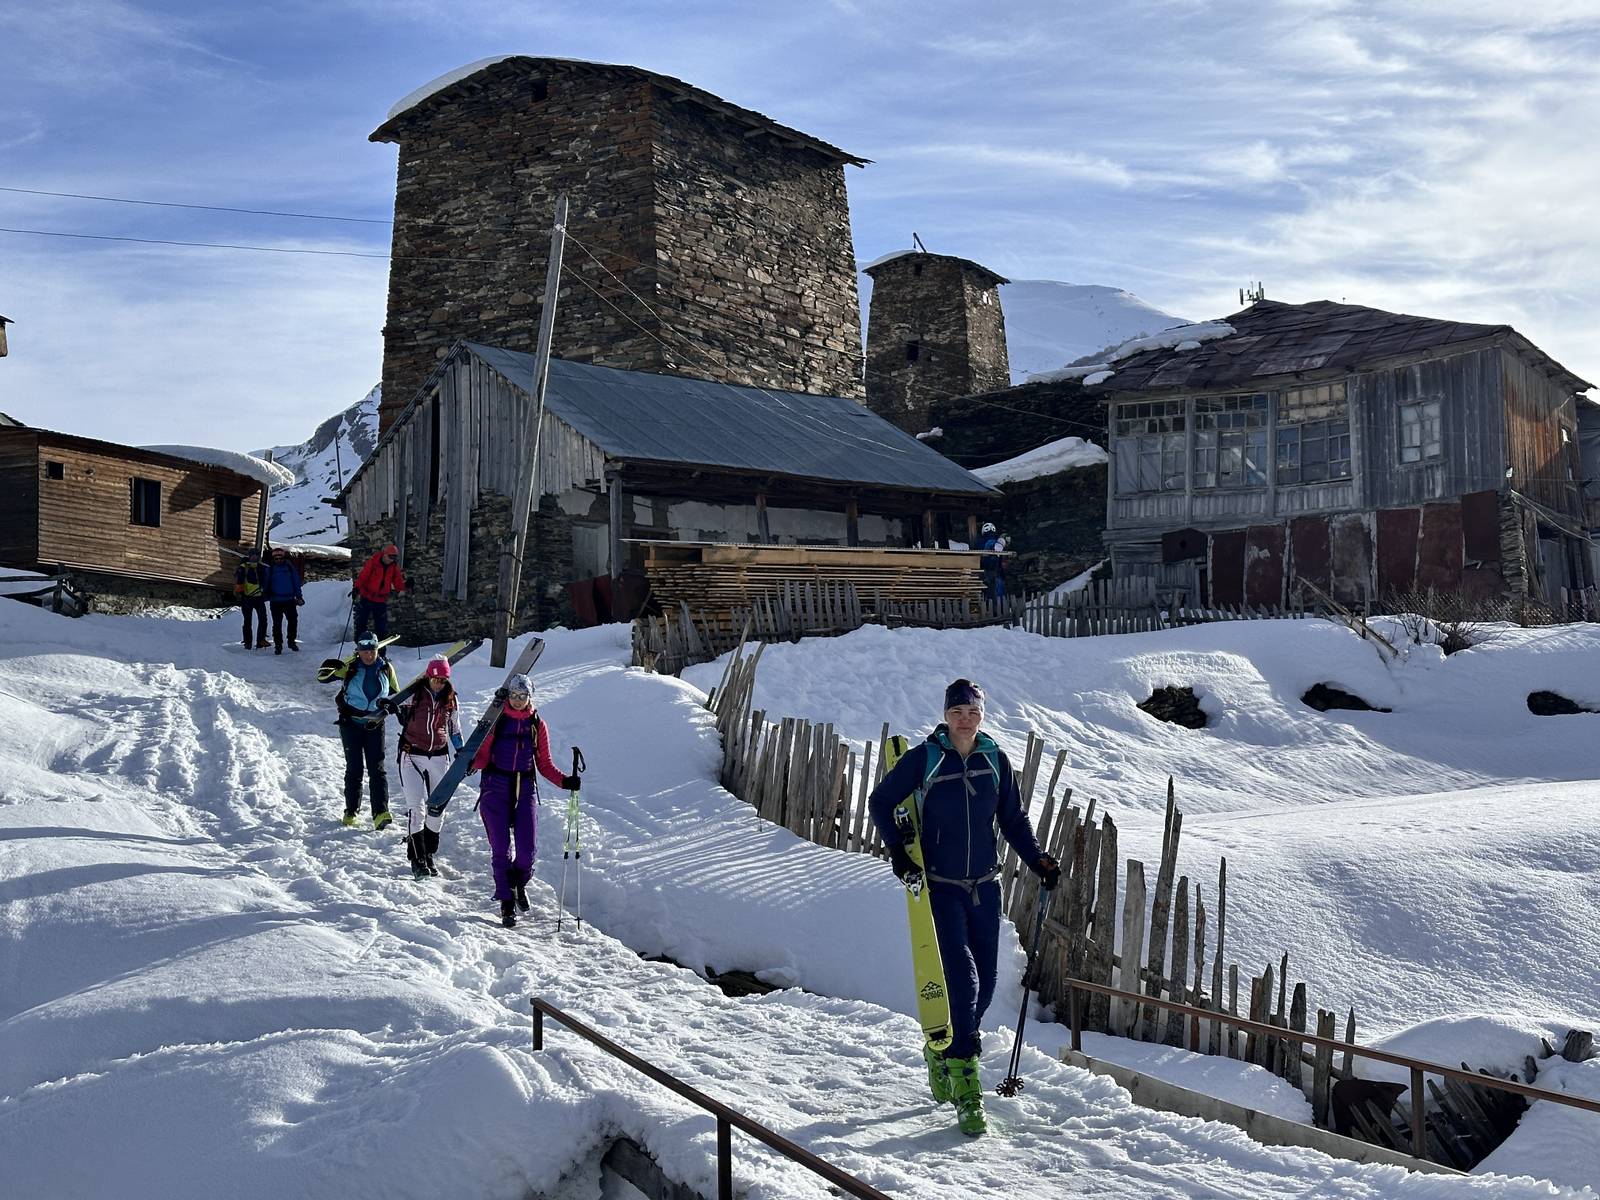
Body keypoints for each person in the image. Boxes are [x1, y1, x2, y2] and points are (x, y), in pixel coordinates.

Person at [867, 678, 1059, 1138]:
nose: (965, 719)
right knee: (962, 979)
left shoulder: (995, 759)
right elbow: (881, 801)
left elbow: (1012, 819)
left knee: (987, 984)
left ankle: (942, 1050)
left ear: (982, 715)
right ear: (946, 714)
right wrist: (899, 853)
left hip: (985, 888)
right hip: (942, 888)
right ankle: (966, 1085)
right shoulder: (925, 758)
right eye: (957, 711)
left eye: (972, 712)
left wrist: (1038, 860)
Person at [468, 673, 580, 928]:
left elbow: (545, 764)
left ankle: (518, 884)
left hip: (525, 789)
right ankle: (506, 902)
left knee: (527, 852)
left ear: (530, 697)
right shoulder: (497, 721)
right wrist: (471, 763)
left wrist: (565, 782)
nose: (518, 700)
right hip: (495, 787)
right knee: (500, 849)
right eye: (514, 695)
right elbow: (483, 755)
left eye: (523, 696)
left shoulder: (537, 725)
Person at [394, 654, 464, 879]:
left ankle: (429, 854)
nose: (438, 684)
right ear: (427, 676)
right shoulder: (414, 694)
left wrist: (462, 751)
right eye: (434, 679)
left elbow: (454, 729)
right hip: (411, 754)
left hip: (439, 756)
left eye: (442, 680)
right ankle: (417, 859)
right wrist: (387, 705)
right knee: (417, 809)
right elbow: (394, 702)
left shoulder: (451, 699)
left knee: (437, 809)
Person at [333, 632, 399, 829]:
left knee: (377, 768)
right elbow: (324, 677)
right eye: (365, 651)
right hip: (351, 723)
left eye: (372, 651)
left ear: (377, 649)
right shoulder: (351, 667)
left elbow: (396, 693)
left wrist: (390, 705)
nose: (369, 655)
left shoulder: (386, 668)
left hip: (375, 724)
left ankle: (380, 812)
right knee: (354, 768)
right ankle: (351, 811)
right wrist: (334, 667)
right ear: (359, 651)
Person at [353, 544, 406, 645]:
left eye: (394, 557)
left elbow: (398, 581)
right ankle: (359, 647)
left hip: (380, 599)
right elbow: (363, 576)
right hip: (367, 597)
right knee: (361, 623)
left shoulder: (393, 567)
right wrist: (357, 588)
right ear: (385, 554)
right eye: (390, 557)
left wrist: (404, 587)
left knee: (381, 627)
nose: (392, 560)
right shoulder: (373, 562)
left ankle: (381, 650)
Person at [263, 544, 305, 654]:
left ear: (283, 557)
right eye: (276, 558)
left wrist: (299, 596)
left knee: (293, 621)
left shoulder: (290, 568)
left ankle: (291, 641)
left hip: (289, 600)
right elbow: (266, 583)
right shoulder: (270, 569)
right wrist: (265, 594)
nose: (278, 560)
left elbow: (296, 582)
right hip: (275, 600)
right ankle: (278, 645)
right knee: (277, 624)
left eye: (280, 558)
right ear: (273, 558)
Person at [234, 548, 269, 649]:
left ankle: (258, 640)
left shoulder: (261, 567)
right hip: (247, 598)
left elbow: (265, 581)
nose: (254, 557)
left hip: (257, 598)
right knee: (248, 620)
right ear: (249, 556)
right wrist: (240, 594)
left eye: (256, 555)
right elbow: (239, 582)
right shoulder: (244, 567)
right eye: (252, 555)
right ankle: (249, 642)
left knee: (262, 619)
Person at [977, 522, 1008, 604]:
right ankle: (1000, 607)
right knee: (998, 590)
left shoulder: (980, 541)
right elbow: (1002, 560)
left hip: (985, 569)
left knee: (988, 590)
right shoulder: (996, 540)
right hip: (997, 570)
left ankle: (989, 606)